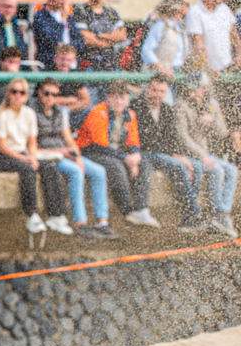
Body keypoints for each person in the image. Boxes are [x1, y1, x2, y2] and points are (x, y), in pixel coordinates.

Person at [30, 79, 117, 239]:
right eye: (47, 93)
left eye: (55, 94)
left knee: (98, 171)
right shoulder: (31, 112)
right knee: (76, 172)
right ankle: (80, 223)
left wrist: (76, 156)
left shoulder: (60, 111)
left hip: (63, 153)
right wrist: (61, 152)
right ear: (40, 93)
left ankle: (102, 222)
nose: (50, 97)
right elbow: (32, 146)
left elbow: (69, 139)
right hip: (47, 155)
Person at [130, 75, 206, 233]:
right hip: (144, 153)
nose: (157, 94)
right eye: (154, 90)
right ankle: (194, 215)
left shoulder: (165, 109)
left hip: (162, 153)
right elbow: (147, 141)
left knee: (196, 166)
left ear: (166, 93)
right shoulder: (137, 106)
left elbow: (171, 137)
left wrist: (177, 153)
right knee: (179, 166)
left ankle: (187, 217)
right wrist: (174, 155)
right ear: (147, 88)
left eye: (161, 91)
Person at [76, 81, 159, 228]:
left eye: (122, 97)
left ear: (127, 99)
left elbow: (133, 141)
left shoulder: (130, 114)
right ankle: (127, 211)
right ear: (108, 98)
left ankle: (141, 209)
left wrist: (135, 156)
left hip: (115, 153)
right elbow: (100, 146)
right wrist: (126, 158)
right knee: (116, 166)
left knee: (144, 163)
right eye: (115, 97)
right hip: (90, 151)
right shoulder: (98, 112)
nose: (119, 101)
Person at [0, 78, 66, 235]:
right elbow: (1, 145)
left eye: (22, 92)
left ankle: (56, 214)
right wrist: (26, 159)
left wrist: (33, 158)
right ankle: (32, 214)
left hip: (23, 153)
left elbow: (32, 141)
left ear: (26, 96)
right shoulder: (0, 114)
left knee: (49, 168)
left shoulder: (29, 114)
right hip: (3, 156)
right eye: (14, 91)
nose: (18, 95)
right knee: (27, 170)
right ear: (9, 94)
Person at [175, 72, 238, 237]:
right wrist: (202, 155)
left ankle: (224, 213)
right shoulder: (182, 105)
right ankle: (217, 213)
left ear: (204, 89)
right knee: (217, 170)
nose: (191, 91)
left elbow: (222, 132)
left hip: (205, 155)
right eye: (189, 88)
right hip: (190, 154)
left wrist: (213, 118)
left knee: (231, 170)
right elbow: (183, 137)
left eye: (195, 88)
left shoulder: (210, 104)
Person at [187, 0, 241, 74]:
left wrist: (239, 56)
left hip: (227, 67)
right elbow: (198, 44)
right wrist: (209, 68)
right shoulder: (195, 11)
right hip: (205, 69)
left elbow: (234, 35)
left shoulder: (224, 9)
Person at [72, 0, 126, 71]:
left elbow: (122, 36)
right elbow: (85, 37)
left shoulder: (111, 12)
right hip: (89, 63)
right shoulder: (81, 11)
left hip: (110, 62)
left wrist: (99, 35)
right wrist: (109, 42)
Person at [32, 0, 84, 70]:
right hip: (50, 66)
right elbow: (52, 39)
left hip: (70, 66)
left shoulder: (68, 17)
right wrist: (62, 22)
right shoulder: (40, 17)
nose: (63, 2)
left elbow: (80, 41)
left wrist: (68, 48)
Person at [142, 0, 189, 78]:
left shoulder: (181, 26)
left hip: (178, 72)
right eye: (186, 4)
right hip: (162, 74)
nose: (188, 7)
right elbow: (146, 50)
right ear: (177, 7)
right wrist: (161, 68)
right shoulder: (162, 24)